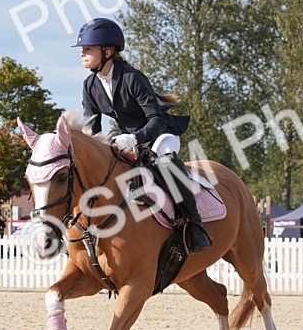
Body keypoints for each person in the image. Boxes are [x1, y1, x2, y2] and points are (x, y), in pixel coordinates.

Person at [76, 17, 212, 253]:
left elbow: (156, 118)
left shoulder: (131, 78)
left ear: (107, 52)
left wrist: (136, 138)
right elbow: (92, 129)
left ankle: (194, 224)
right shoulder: (90, 85)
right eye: (83, 50)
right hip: (125, 135)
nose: (83, 54)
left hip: (159, 133)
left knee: (165, 161)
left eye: (88, 49)